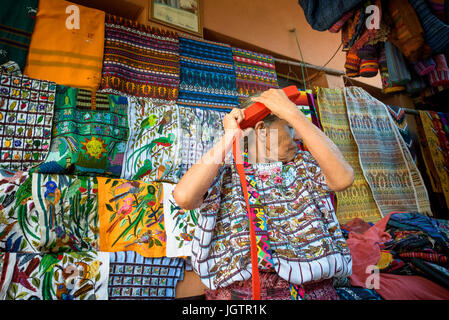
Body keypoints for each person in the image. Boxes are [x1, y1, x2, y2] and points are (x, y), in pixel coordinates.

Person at [173, 88, 354, 299]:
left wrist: (292, 113)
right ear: (262, 130)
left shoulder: (303, 167)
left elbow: (343, 178)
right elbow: (184, 196)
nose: (296, 134)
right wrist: (230, 137)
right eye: (288, 126)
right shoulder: (226, 174)